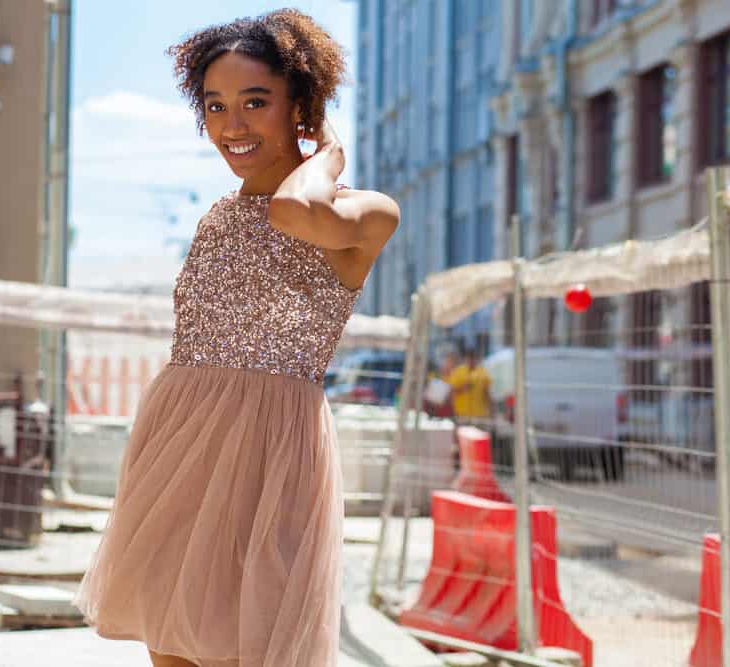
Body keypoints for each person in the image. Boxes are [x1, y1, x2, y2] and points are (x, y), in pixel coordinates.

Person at [73, 10, 400, 667]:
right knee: (171, 644)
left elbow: (292, 211)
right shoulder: (217, 217)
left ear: (300, 106)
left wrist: (328, 153)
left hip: (271, 456)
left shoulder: (366, 211)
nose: (233, 125)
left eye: (256, 102)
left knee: (249, 642)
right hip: (179, 441)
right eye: (216, 106)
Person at [444, 347, 492, 422]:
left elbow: (487, 393)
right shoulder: (458, 372)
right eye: (469, 358)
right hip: (461, 413)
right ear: (466, 359)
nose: (471, 361)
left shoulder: (483, 373)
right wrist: (463, 387)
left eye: (474, 358)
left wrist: (491, 411)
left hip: (479, 414)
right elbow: (451, 391)